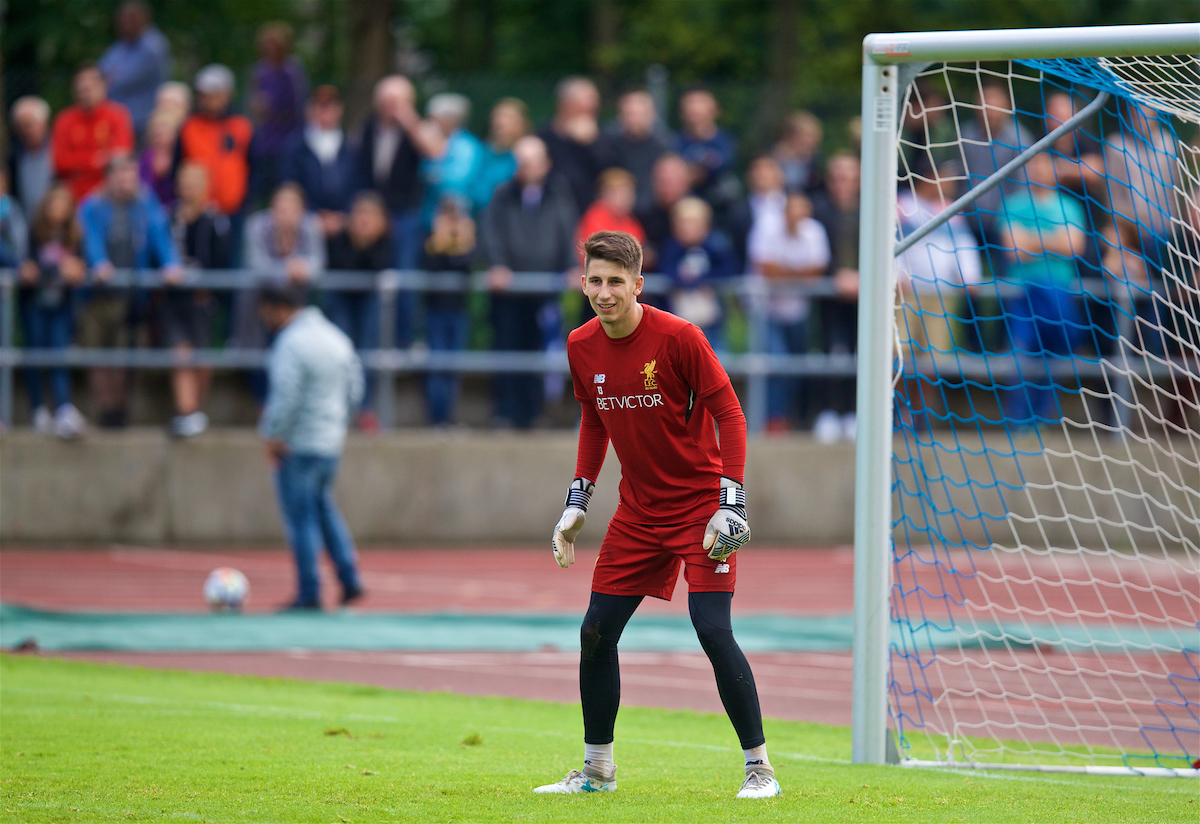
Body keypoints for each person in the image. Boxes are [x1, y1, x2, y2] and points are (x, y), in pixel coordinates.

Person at [534, 230, 779, 800]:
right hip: (637, 513)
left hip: (700, 510)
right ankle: (597, 771)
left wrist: (731, 501)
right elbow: (594, 422)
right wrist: (577, 502)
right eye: (594, 280)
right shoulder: (580, 344)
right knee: (595, 630)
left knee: (713, 630)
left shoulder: (680, 337)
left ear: (638, 285)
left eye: (615, 282)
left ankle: (760, 769)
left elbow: (731, 414)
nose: (603, 292)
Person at [258, 284, 365, 611]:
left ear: (278, 308)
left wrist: (274, 435)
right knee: (322, 507)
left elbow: (285, 396)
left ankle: (309, 592)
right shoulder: (336, 337)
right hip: (330, 441)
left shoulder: (290, 343)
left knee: (301, 517)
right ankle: (349, 578)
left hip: (298, 444)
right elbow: (355, 388)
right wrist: (338, 425)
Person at [78, 155, 182, 428]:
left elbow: (161, 237)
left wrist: (171, 265)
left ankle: (121, 410)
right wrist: (99, 264)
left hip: (133, 297)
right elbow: (91, 238)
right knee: (99, 354)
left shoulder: (146, 204)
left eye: (131, 176)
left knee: (127, 354)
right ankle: (105, 408)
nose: (126, 183)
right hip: (98, 296)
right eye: (121, 176)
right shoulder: (93, 206)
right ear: (109, 178)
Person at [482, 135, 578, 429]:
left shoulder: (558, 193)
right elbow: (491, 231)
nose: (527, 168)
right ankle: (505, 413)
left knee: (540, 352)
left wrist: (572, 267)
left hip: (544, 290)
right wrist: (497, 265)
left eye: (533, 161)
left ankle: (535, 413)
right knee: (507, 349)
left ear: (546, 164)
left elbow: (567, 231)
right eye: (522, 162)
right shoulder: (502, 194)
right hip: (508, 290)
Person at [996, 152, 1087, 430]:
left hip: (1059, 295)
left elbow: (1074, 246)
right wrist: (1053, 240)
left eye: (1045, 164)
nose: (1039, 170)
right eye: (1034, 164)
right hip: (1022, 296)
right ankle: (1019, 423)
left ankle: (1041, 421)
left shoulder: (1070, 207)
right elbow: (1012, 249)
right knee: (1022, 356)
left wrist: (1031, 240)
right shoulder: (1012, 204)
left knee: (1056, 357)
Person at [895, 159, 983, 435]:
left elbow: (964, 246)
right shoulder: (902, 205)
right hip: (905, 296)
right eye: (944, 177)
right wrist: (896, 274)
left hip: (942, 295)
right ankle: (899, 413)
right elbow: (889, 239)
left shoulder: (953, 211)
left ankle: (923, 416)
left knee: (933, 358)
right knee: (901, 355)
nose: (949, 184)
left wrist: (970, 275)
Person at [748, 192, 830, 434]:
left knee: (796, 366)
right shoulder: (766, 228)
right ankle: (773, 418)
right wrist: (799, 275)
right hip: (768, 310)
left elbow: (817, 272)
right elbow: (765, 268)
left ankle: (790, 417)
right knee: (775, 362)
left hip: (799, 311)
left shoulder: (815, 232)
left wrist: (785, 274)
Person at [163, 163, 233, 438]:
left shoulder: (215, 220)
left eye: (194, 183)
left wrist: (209, 286)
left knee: (201, 358)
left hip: (203, 300)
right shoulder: (170, 219)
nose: (188, 188)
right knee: (180, 354)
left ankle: (195, 412)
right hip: (174, 299)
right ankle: (187, 412)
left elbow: (222, 260)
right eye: (184, 182)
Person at [18, 183, 87, 438]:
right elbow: (29, 269)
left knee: (59, 354)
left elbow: (81, 265)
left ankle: (62, 408)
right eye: (53, 205)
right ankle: (37, 409)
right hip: (34, 304)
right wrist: (59, 270)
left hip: (60, 304)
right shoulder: (34, 231)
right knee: (34, 355)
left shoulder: (74, 234)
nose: (57, 210)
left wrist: (77, 270)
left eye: (62, 206)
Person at [324, 191, 395, 432]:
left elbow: (377, 265)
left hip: (370, 305)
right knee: (340, 353)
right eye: (360, 214)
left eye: (370, 215)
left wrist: (367, 241)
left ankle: (364, 409)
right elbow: (343, 265)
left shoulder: (386, 242)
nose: (364, 220)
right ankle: (340, 409)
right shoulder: (338, 239)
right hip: (342, 302)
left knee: (369, 351)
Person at [809, 152, 862, 441]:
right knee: (829, 352)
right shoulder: (818, 209)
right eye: (838, 175)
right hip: (828, 295)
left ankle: (854, 412)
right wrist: (834, 276)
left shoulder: (871, 209)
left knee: (861, 353)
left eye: (849, 175)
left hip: (863, 296)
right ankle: (829, 411)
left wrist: (861, 276)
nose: (843, 181)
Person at [237, 183, 325, 350]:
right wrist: (286, 271)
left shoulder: (311, 225)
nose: (285, 211)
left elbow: (318, 264)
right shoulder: (256, 224)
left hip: (298, 297)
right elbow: (254, 263)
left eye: (291, 206)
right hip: (261, 297)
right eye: (280, 205)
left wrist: (304, 269)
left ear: (302, 209)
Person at [422, 197, 477, 426]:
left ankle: (449, 417)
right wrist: (440, 240)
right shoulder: (428, 242)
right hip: (435, 311)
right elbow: (430, 266)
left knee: (454, 366)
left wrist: (462, 242)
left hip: (458, 310)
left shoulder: (468, 243)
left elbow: (468, 266)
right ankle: (436, 417)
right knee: (437, 364)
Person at [281, 85, 361, 241]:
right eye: (319, 106)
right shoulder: (295, 147)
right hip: (303, 225)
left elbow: (359, 182)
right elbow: (290, 184)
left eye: (330, 106)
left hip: (346, 226)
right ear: (309, 109)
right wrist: (313, 215)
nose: (325, 111)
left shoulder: (351, 146)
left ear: (339, 109)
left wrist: (345, 215)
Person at [960, 83, 1035, 245]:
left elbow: (1022, 186)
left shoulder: (1019, 139)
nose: (989, 112)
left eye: (994, 105)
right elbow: (960, 177)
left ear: (1006, 106)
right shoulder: (966, 135)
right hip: (969, 217)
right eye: (984, 104)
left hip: (1006, 220)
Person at [658, 196, 739, 348]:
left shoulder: (717, 245)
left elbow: (729, 270)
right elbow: (666, 269)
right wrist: (686, 282)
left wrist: (705, 281)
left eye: (692, 223)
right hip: (678, 318)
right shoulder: (672, 248)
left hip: (711, 319)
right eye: (682, 223)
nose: (686, 228)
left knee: (713, 358)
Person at [51, 65, 135, 203]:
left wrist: (78, 164)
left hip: (110, 195)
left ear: (103, 87)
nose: (86, 92)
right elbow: (60, 162)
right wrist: (94, 159)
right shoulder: (64, 120)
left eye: (91, 87)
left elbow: (121, 154)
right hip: (74, 196)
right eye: (82, 89)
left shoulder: (117, 115)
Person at [179, 65, 254, 220]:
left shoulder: (241, 125)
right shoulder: (190, 126)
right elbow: (179, 164)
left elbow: (255, 165)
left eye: (215, 94)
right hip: (196, 210)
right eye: (206, 94)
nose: (210, 100)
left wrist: (246, 200)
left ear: (227, 94)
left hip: (233, 211)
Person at [248, 21, 309, 206]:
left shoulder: (292, 71)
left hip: (287, 136)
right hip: (266, 138)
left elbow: (298, 105)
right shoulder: (261, 71)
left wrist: (272, 107)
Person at [97, 1, 171, 138]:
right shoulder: (121, 45)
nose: (124, 25)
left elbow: (124, 79)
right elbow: (100, 73)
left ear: (143, 20)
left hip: (143, 123)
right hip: (118, 122)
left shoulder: (153, 47)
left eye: (130, 20)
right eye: (122, 20)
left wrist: (109, 78)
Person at [596, 89, 672, 215]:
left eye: (639, 114)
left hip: (656, 213)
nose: (634, 120)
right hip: (615, 213)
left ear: (652, 115)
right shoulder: (606, 145)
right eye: (630, 114)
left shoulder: (664, 146)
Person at [537, 77, 603, 213]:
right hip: (552, 210)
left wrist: (592, 143)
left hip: (592, 213)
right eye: (590, 100)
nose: (596, 106)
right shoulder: (543, 135)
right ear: (567, 104)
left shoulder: (602, 137)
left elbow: (610, 174)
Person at [420, 93, 485, 222]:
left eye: (433, 117)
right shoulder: (428, 144)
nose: (429, 122)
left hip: (456, 221)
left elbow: (456, 182)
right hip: (428, 217)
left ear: (448, 119)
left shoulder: (467, 145)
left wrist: (433, 172)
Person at [675, 88, 738, 207]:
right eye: (691, 104)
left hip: (720, 205)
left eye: (701, 103)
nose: (695, 108)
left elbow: (724, 165)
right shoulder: (675, 142)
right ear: (682, 113)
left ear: (715, 111)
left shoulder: (725, 141)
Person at [575, 168, 646, 266]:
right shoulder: (595, 217)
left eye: (630, 193)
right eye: (622, 192)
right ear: (606, 193)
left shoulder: (631, 222)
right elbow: (596, 252)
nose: (628, 198)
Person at [636, 152, 691, 272]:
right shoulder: (642, 214)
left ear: (686, 182)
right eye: (663, 182)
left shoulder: (700, 212)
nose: (667, 188)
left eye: (672, 182)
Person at [473, 98, 530, 211]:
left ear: (522, 123)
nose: (500, 122)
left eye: (508, 118)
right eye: (497, 116)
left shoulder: (527, 155)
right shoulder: (482, 152)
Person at [9, 96, 54, 217]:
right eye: (20, 126)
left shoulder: (57, 151)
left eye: (29, 125)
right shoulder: (14, 157)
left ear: (43, 123)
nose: (24, 131)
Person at [772, 111, 824, 194]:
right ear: (792, 136)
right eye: (807, 137)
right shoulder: (772, 158)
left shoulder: (815, 162)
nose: (811, 143)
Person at [138, 111, 180, 211]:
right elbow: (143, 189)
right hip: (150, 209)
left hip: (175, 207)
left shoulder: (180, 156)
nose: (159, 133)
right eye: (156, 131)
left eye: (164, 130)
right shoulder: (145, 158)